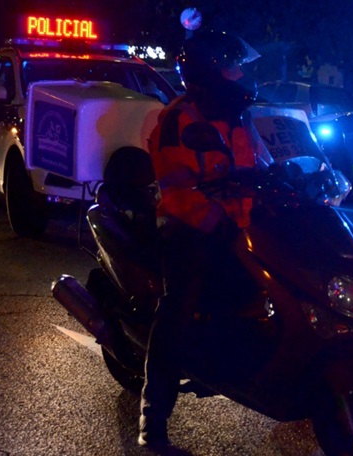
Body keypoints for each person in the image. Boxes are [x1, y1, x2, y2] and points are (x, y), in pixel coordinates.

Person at [140, 30, 263, 449]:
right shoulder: (181, 120)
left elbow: (262, 165)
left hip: (235, 231)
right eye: (234, 66)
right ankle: (153, 418)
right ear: (211, 71)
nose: (242, 73)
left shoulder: (238, 116)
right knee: (179, 309)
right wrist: (215, 221)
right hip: (189, 231)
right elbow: (176, 191)